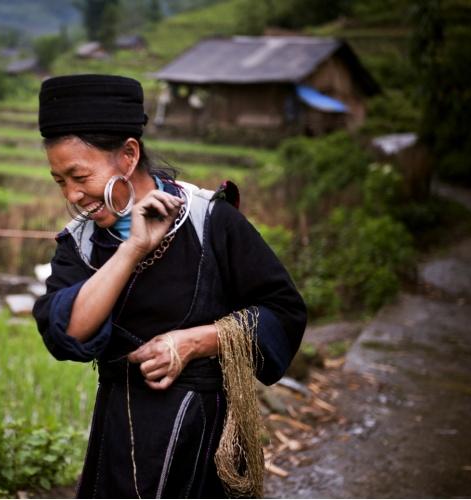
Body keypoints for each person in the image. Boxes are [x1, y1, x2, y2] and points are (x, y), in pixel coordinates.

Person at [32, 74, 306, 498]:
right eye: (59, 182)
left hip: (205, 436)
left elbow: (284, 311)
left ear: (127, 155)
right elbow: (67, 332)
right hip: (121, 433)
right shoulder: (81, 245)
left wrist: (199, 341)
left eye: (78, 176)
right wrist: (133, 249)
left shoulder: (209, 221)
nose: (72, 195)